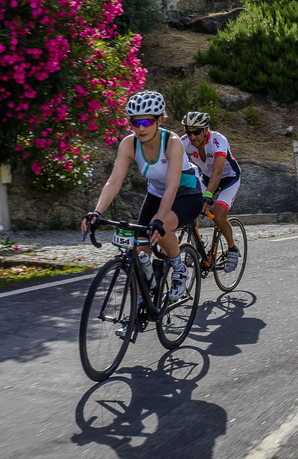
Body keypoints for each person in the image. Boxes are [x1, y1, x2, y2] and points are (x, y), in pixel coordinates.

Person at [81, 90, 205, 302]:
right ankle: (138, 307)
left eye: (146, 122)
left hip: (187, 193)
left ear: (159, 120)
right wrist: (97, 211)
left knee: (162, 226)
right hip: (156, 193)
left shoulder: (172, 143)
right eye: (135, 123)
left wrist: (158, 219)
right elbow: (114, 181)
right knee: (139, 252)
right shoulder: (129, 143)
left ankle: (179, 268)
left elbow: (172, 187)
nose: (140, 128)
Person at [180, 111, 242, 272]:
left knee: (218, 215)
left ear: (206, 130)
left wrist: (208, 196)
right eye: (188, 132)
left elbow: (218, 171)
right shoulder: (184, 142)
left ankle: (232, 248)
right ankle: (195, 248)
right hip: (206, 177)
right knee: (189, 210)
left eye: (196, 132)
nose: (192, 137)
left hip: (229, 178)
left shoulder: (218, 140)